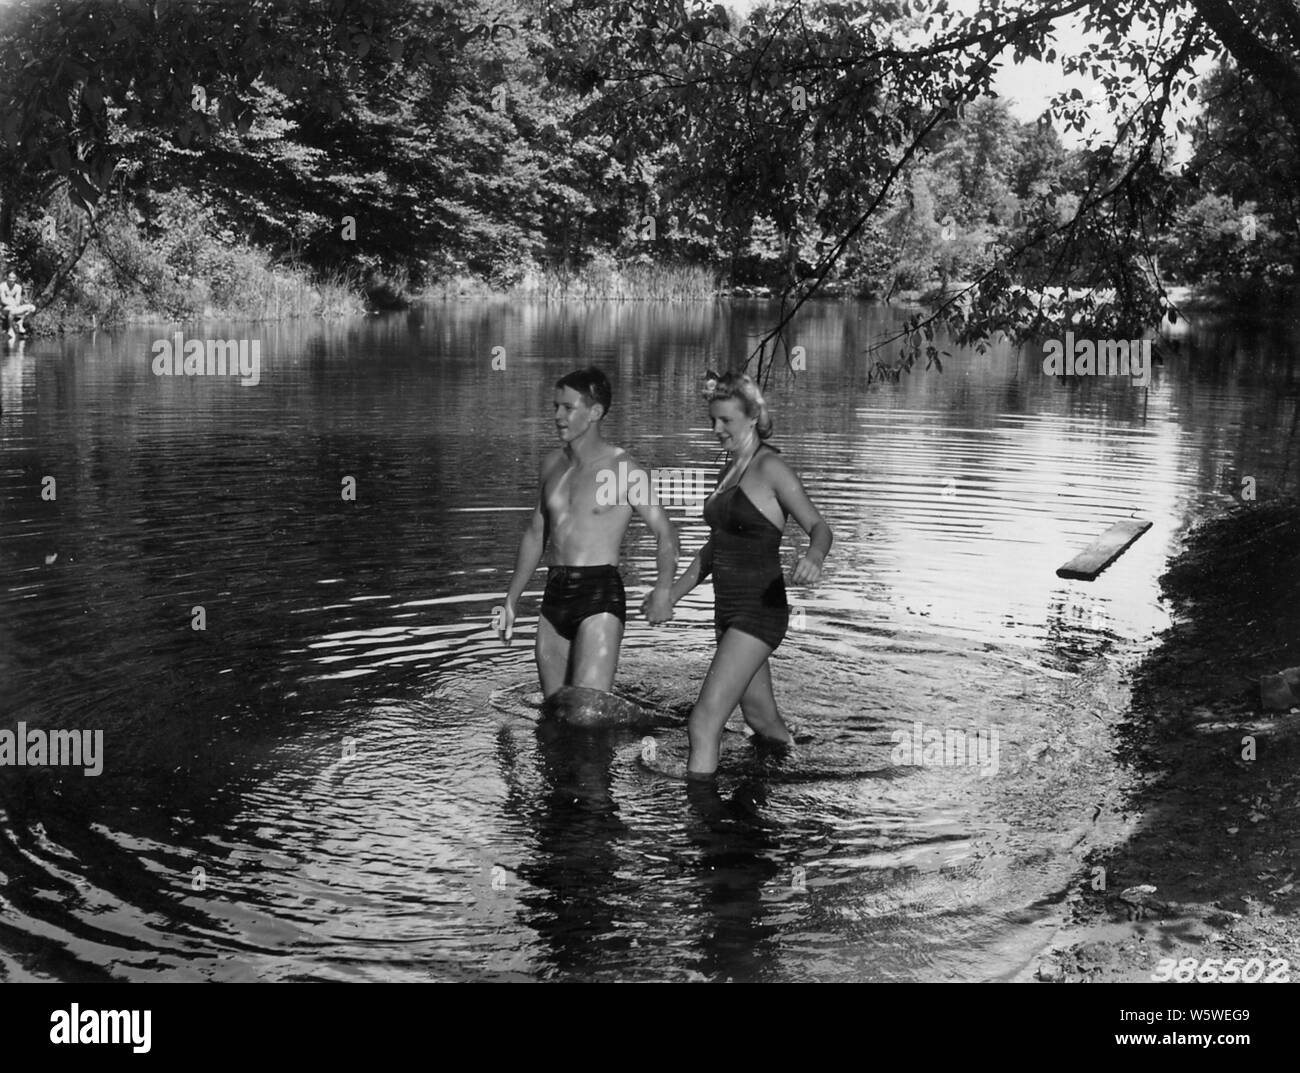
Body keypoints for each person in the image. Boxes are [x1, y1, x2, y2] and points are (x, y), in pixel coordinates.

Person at [661, 371, 832, 778]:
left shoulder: (770, 467)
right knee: (760, 719)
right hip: (728, 611)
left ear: (752, 417)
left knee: (703, 722)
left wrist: (814, 557)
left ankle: (700, 819)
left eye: (726, 421)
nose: (716, 429)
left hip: (759, 611)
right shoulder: (729, 470)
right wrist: (671, 594)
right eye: (712, 420)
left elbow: (821, 528)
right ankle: (809, 772)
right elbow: (714, 549)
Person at [500, 367, 678, 697]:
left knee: (586, 713)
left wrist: (664, 590)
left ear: (594, 412)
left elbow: (665, 534)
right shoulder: (551, 464)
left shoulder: (625, 470)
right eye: (555, 407)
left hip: (600, 594)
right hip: (555, 594)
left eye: (568, 408)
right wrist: (510, 600)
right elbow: (536, 532)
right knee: (555, 712)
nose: (557, 416)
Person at [0, 272, 36, 340]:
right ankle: (11, 328)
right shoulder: (2, 286)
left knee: (32, 308)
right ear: (7, 278)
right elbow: (3, 300)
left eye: (13, 278)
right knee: (12, 309)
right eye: (10, 277)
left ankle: (20, 323)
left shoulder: (18, 287)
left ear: (15, 278)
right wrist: (11, 301)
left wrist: (13, 303)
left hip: (15, 308)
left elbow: (17, 302)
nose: (11, 279)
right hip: (4, 309)